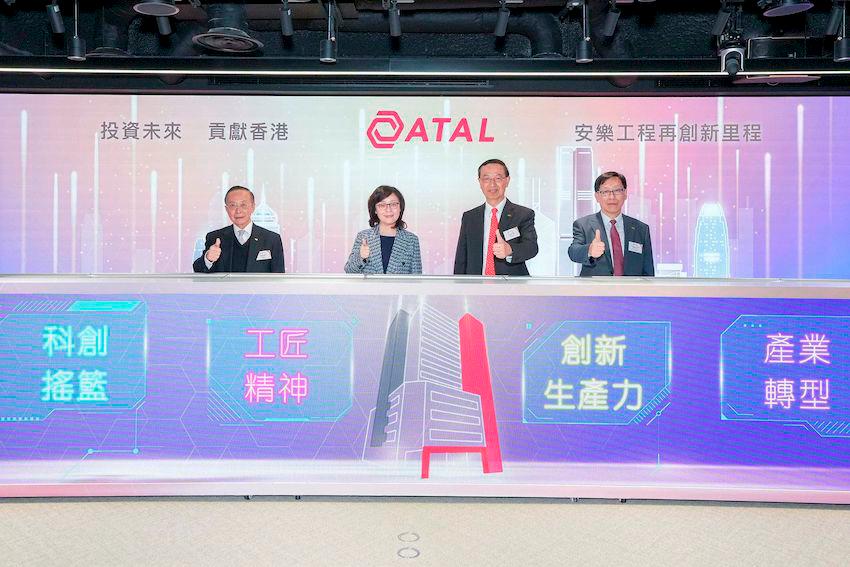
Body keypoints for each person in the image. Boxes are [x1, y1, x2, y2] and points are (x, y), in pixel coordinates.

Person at [453, 158, 538, 276]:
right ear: (480, 182)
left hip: (512, 287)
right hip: (476, 286)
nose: (492, 184)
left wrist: (510, 250)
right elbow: (461, 257)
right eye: (486, 179)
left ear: (507, 181)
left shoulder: (523, 214)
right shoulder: (470, 217)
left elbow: (531, 247)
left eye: (498, 178)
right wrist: (459, 286)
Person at [568, 171, 654, 276]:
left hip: (632, 291)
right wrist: (589, 250)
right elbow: (573, 252)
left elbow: (648, 271)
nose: (612, 196)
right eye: (605, 192)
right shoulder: (583, 225)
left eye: (617, 190)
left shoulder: (641, 229)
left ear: (625, 194)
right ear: (597, 196)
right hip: (596, 290)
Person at [193, 185, 285, 273]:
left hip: (258, 290)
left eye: (243, 205)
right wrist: (208, 259)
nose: (238, 210)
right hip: (224, 289)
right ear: (226, 209)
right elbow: (198, 269)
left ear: (253, 207)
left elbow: (278, 279)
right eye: (233, 205)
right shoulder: (215, 238)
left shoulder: (271, 239)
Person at [344, 185, 422, 275]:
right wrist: (361, 257)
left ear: (400, 207)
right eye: (382, 205)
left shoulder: (411, 240)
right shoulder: (364, 237)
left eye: (393, 204)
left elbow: (417, 279)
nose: (388, 209)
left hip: (399, 289)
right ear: (375, 210)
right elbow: (349, 271)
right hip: (369, 289)